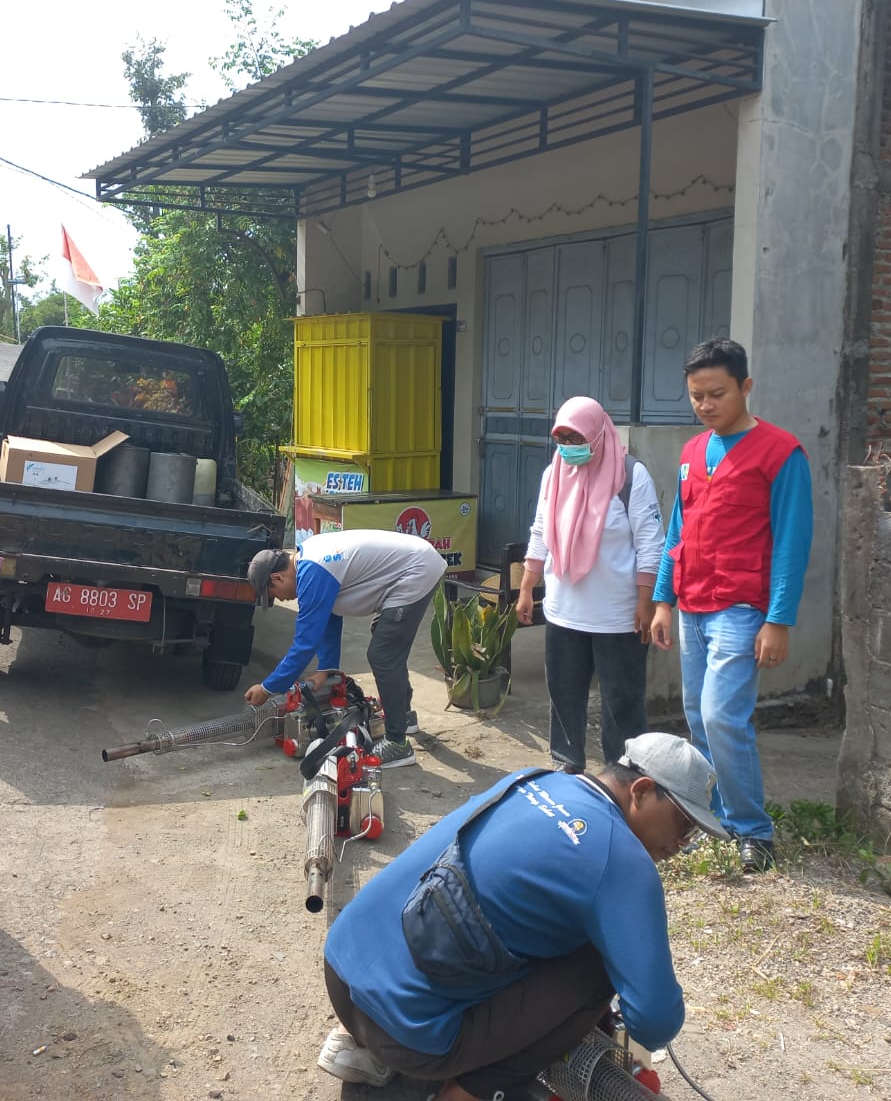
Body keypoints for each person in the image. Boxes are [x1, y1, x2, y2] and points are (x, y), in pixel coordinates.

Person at [316, 732, 726, 1099]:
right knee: (598, 965)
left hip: (340, 971)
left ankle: (367, 1045)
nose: (682, 843)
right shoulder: (623, 860)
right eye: (683, 823)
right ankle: (468, 1093)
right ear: (642, 789)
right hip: (409, 1036)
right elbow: (655, 1021)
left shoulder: (534, 779)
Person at [649, 337, 812, 874]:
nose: (705, 405)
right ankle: (713, 817)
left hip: (742, 610)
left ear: (745, 386)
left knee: (723, 717)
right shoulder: (694, 452)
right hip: (693, 605)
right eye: (695, 396)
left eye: (716, 393)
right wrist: (662, 600)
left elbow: (792, 541)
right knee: (698, 718)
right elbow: (679, 528)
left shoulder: (781, 453)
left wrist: (779, 620)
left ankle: (753, 829)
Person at [516, 396, 664, 774]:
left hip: (618, 616)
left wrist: (647, 603)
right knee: (564, 696)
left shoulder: (630, 476)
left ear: (599, 433)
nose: (569, 447)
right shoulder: (554, 474)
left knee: (622, 702)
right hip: (564, 611)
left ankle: (625, 775)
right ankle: (567, 765)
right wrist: (527, 586)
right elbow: (540, 531)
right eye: (561, 438)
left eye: (576, 437)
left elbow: (651, 545)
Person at [245, 529, 446, 768]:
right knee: (387, 644)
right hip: (415, 564)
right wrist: (326, 668)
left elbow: (304, 645)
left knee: (383, 655)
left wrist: (268, 688)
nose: (281, 599)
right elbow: (329, 617)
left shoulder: (313, 572)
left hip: (415, 570)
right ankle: (402, 717)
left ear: (277, 578)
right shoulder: (309, 560)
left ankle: (397, 744)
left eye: (273, 595)